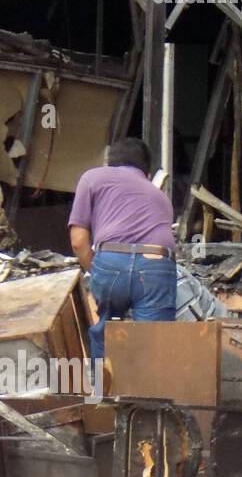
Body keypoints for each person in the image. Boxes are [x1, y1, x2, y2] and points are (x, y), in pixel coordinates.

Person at [68, 138, 178, 362]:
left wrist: (98, 270)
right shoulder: (160, 197)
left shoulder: (92, 178)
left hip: (111, 262)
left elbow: (79, 241)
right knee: (154, 341)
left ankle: (105, 391)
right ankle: (151, 393)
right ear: (146, 172)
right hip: (156, 265)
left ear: (108, 163)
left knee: (108, 332)